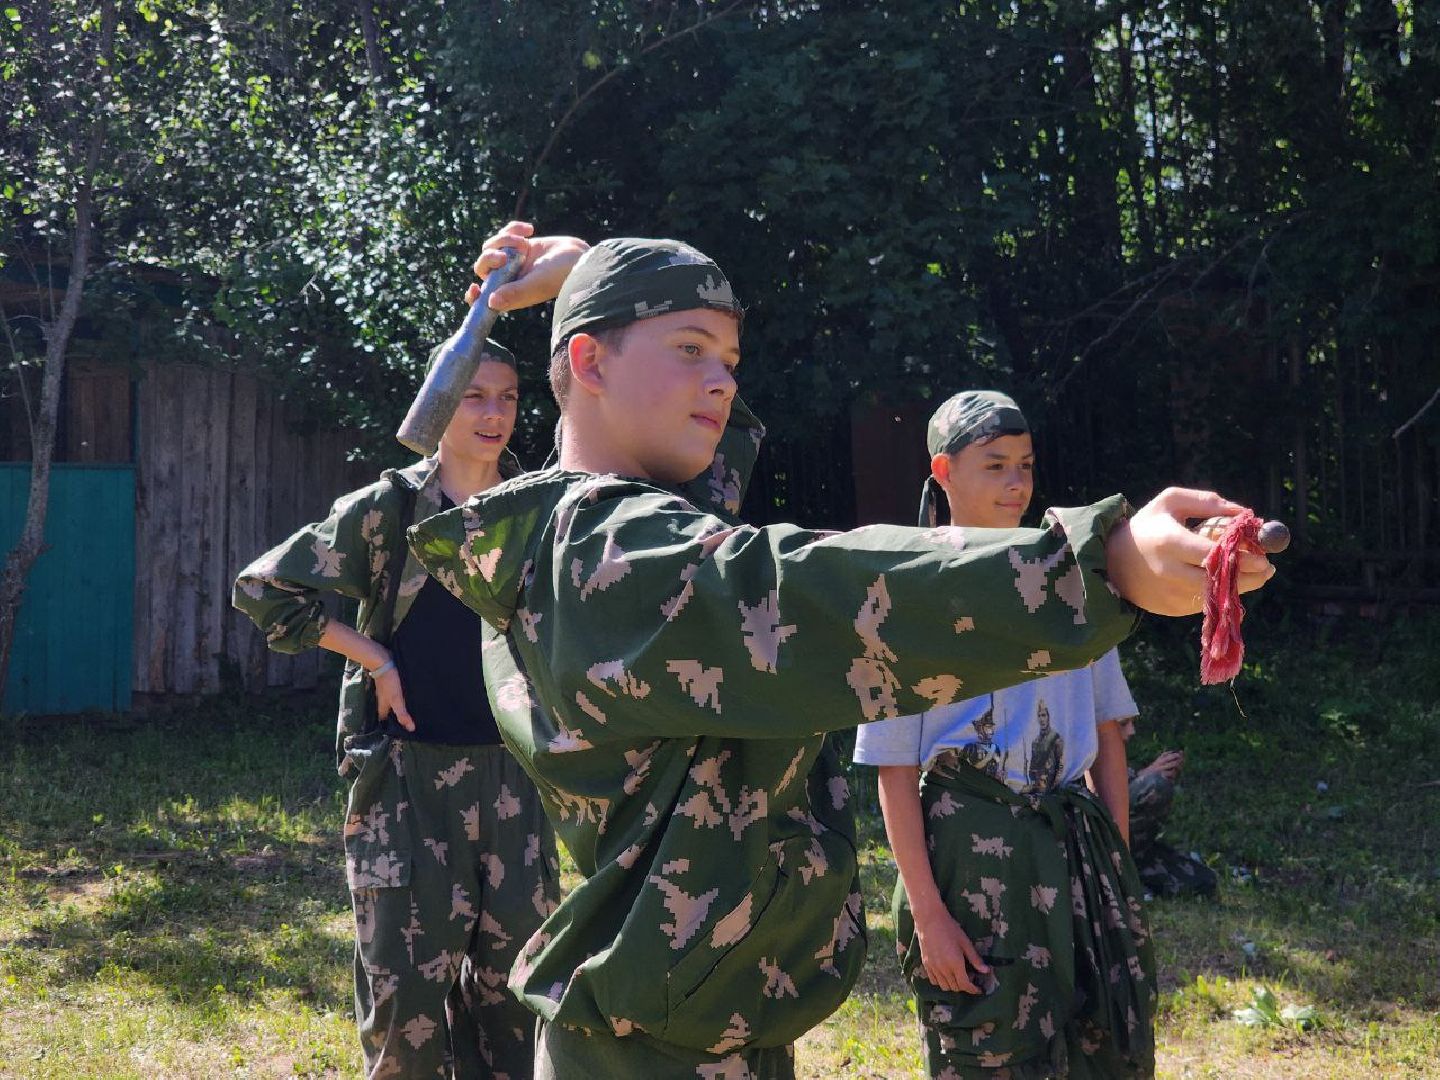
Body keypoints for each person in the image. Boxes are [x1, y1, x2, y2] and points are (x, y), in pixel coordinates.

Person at [407, 222, 1274, 1079]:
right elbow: (816, 593)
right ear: (591, 365)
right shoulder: (605, 555)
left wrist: (590, 271)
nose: (720, 383)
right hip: (650, 1053)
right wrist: (1095, 565)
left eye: (730, 361)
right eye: (690, 349)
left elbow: (696, 458)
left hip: (691, 1019)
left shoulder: (604, 524)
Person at [233, 340, 558, 1080]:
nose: (493, 413)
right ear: (437, 405)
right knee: (405, 1011)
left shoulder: (537, 508)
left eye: (507, 397)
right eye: (473, 395)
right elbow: (263, 588)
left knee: (517, 1009)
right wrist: (373, 658)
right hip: (407, 785)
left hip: (519, 784)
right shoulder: (390, 511)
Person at [855, 390, 1153, 1078]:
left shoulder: (1073, 580)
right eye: (995, 466)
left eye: (1025, 464)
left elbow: (1109, 735)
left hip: (1074, 842)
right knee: (988, 1046)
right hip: (971, 853)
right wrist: (929, 917)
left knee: (1102, 1037)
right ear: (944, 471)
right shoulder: (908, 597)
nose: (1017, 484)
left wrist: (1117, 862)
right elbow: (895, 772)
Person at [1121, 723, 1218, 898]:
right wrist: (1145, 777)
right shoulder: (1078, 748)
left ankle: (1132, 878)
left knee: (1203, 880)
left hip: (1131, 852)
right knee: (1154, 787)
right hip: (1096, 848)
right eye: (1122, 724)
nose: (1131, 731)